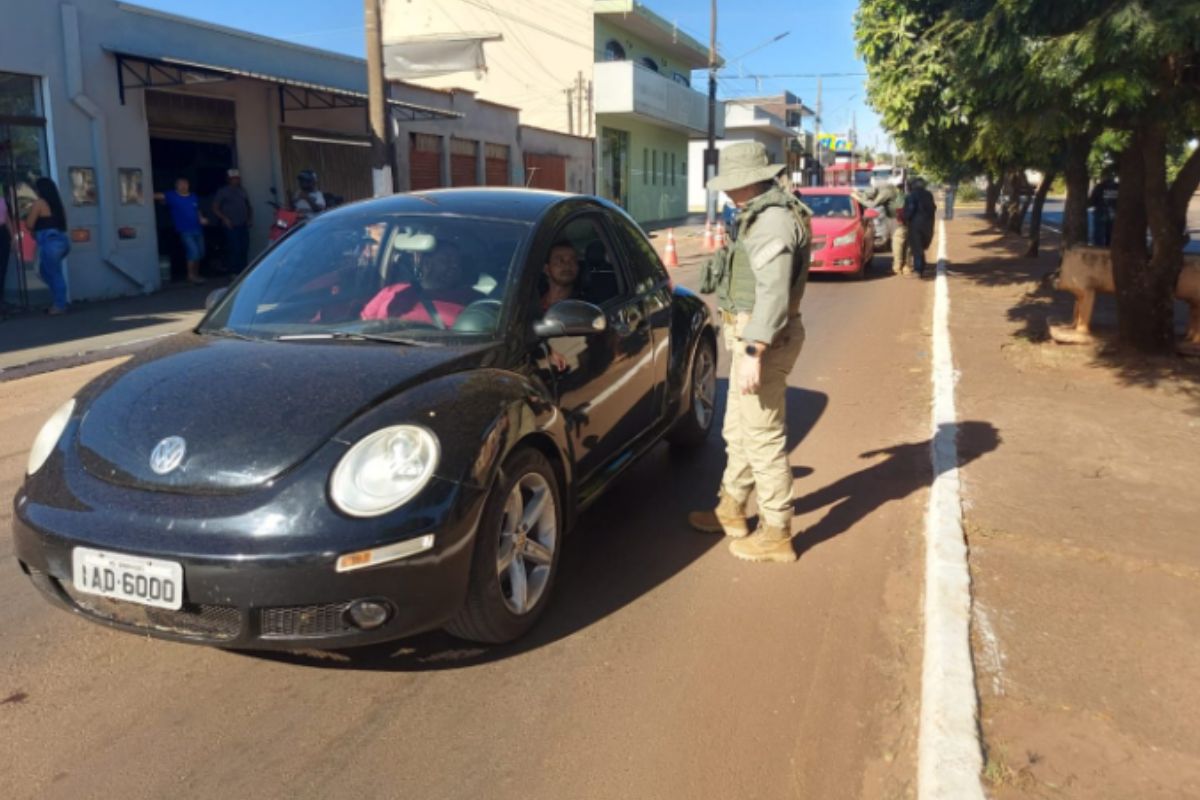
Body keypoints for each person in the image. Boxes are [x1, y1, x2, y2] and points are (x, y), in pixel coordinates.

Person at [689, 141, 813, 564]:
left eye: (730, 183)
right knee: (738, 433)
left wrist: (754, 350)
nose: (726, 191)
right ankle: (732, 509)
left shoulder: (773, 221)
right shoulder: (759, 215)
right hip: (750, 333)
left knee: (762, 438)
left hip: (762, 337)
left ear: (749, 181)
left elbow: (774, 294)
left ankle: (777, 532)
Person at [360, 242, 480, 327]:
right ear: (427, 264)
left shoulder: (471, 299)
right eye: (446, 261)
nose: (454, 266)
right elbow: (364, 325)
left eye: (457, 263)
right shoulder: (392, 291)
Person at [25, 177, 71, 314]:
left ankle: (60, 305)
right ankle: (59, 300)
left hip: (50, 243)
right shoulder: (57, 204)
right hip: (61, 241)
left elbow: (29, 224)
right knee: (46, 272)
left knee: (53, 273)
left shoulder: (39, 203)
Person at [155, 177, 208, 285]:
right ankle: (190, 276)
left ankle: (196, 274)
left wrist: (202, 218)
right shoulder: (172, 196)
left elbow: (197, 210)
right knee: (193, 252)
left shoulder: (193, 196)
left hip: (197, 228)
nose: (183, 186)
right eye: (181, 184)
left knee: (200, 253)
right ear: (176, 186)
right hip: (185, 230)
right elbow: (155, 196)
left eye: (185, 184)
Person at [212, 168, 252, 274]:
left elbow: (248, 206)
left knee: (244, 248)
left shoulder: (242, 190)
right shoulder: (223, 191)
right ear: (228, 179)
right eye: (233, 178)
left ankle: (244, 272)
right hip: (231, 225)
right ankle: (234, 273)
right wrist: (225, 219)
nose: (236, 180)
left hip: (243, 224)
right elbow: (215, 208)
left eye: (237, 178)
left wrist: (249, 219)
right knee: (235, 249)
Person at [902, 177, 937, 277]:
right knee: (922, 246)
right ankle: (922, 266)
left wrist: (905, 219)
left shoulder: (911, 196)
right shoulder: (928, 195)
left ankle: (918, 270)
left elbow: (910, 210)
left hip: (915, 225)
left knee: (917, 247)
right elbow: (933, 208)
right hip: (928, 224)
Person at [541, 241, 581, 310]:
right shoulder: (531, 302)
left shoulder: (583, 305)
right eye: (560, 261)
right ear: (546, 269)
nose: (567, 265)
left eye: (573, 261)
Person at [1089, 173, 1118, 247]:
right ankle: (1110, 249)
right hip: (1114, 214)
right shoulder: (1118, 187)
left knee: (1098, 236)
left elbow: (1092, 201)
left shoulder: (1099, 187)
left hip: (1101, 213)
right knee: (1111, 234)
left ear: (1103, 177)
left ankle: (1098, 250)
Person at [0, 186, 11, 310]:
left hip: (2, 232)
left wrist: (13, 236)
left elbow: (7, 218)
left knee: (2, 269)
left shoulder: (2, 198)